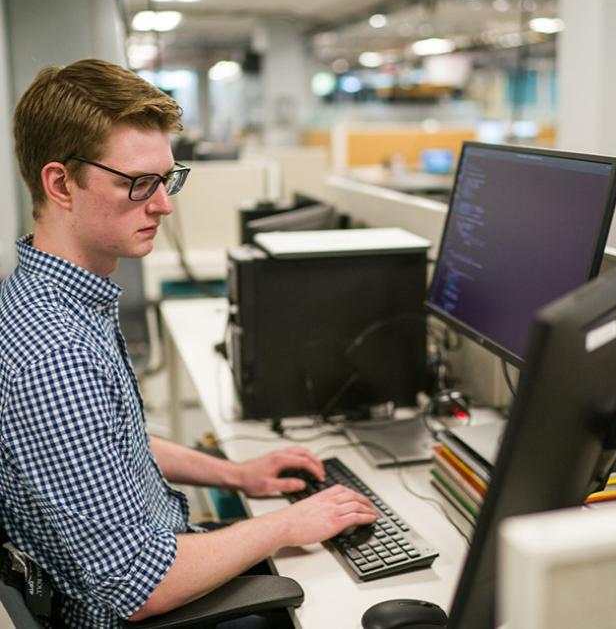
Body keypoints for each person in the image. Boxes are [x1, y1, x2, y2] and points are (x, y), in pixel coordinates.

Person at [0, 58, 377, 628]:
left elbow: (110, 448)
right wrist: (282, 525)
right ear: (60, 184)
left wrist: (238, 475)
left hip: (167, 556)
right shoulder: (56, 354)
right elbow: (138, 585)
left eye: (167, 179)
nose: (163, 204)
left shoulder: (59, 300)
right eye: (138, 184)